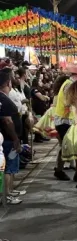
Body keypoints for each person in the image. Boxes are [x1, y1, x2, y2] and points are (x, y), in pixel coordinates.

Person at [53, 64, 77, 181]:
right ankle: (60, 170)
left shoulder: (68, 83)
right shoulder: (69, 85)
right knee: (68, 146)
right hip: (65, 120)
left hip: (68, 119)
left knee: (75, 146)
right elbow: (71, 102)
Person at [0, 70, 24, 205]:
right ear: (7, 83)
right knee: (8, 168)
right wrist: (15, 139)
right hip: (9, 139)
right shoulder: (3, 99)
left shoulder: (3, 98)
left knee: (12, 166)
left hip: (9, 138)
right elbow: (8, 121)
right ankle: (7, 194)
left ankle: (10, 190)